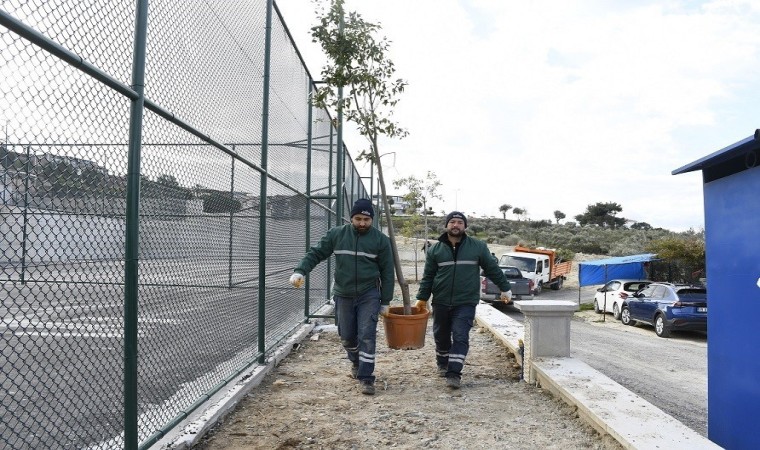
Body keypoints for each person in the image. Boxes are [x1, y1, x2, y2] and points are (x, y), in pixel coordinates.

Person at [289, 198, 394, 395]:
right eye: (358, 218)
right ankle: (355, 361)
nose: (362, 223)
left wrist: (385, 301)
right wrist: (300, 271)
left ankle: (366, 378)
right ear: (351, 218)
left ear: (372, 219)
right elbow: (316, 253)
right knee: (347, 337)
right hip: (343, 293)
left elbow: (388, 272)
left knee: (367, 335)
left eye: (366, 219)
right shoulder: (337, 235)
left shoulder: (380, 240)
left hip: (368, 294)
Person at [414, 211, 512, 390]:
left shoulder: (477, 247)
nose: (456, 225)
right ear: (446, 225)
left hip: (465, 301)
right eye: (452, 222)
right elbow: (428, 276)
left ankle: (454, 373)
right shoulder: (435, 249)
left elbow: (492, 269)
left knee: (460, 336)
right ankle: (442, 363)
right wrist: (422, 298)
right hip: (441, 300)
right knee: (441, 336)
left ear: (465, 226)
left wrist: (505, 288)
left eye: (460, 222)